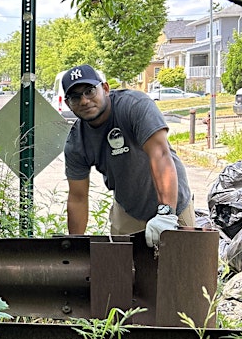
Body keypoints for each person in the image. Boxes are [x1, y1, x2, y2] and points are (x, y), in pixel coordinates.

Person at [62, 64, 194, 248]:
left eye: (90, 91)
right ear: (68, 104)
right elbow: (77, 197)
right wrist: (74, 247)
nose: (84, 101)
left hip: (173, 204)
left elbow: (160, 155)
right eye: (75, 97)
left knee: (180, 270)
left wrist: (166, 213)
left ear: (105, 89)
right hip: (128, 209)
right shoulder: (77, 142)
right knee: (124, 271)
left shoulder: (134, 106)